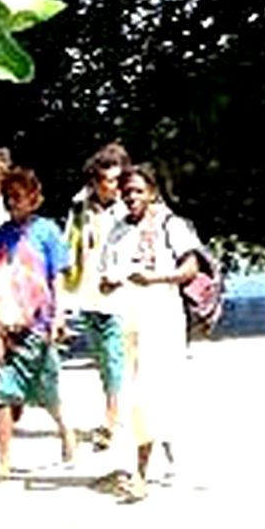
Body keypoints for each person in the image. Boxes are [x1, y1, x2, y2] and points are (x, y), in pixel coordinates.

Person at [99, 163, 203, 502]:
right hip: (128, 320)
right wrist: (110, 281)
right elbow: (104, 282)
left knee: (151, 392)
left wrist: (155, 278)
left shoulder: (170, 225)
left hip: (163, 318)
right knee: (134, 394)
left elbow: (190, 267)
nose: (131, 197)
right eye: (126, 191)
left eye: (138, 191)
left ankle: (141, 474)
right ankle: (156, 458)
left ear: (152, 193)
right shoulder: (116, 231)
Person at [0, 167, 75, 476]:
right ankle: (4, 460)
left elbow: (58, 277)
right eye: (8, 198)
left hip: (39, 324)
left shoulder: (47, 231)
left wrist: (59, 316)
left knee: (47, 388)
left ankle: (65, 429)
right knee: (3, 392)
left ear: (35, 200)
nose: (13, 203)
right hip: (5, 327)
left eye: (19, 198)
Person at [61, 142, 132, 450]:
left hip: (122, 295)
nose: (112, 187)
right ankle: (115, 411)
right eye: (105, 180)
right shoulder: (79, 208)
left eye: (117, 180)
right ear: (94, 181)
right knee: (102, 359)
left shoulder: (131, 208)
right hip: (88, 294)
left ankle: (110, 420)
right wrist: (63, 301)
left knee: (116, 356)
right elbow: (68, 249)